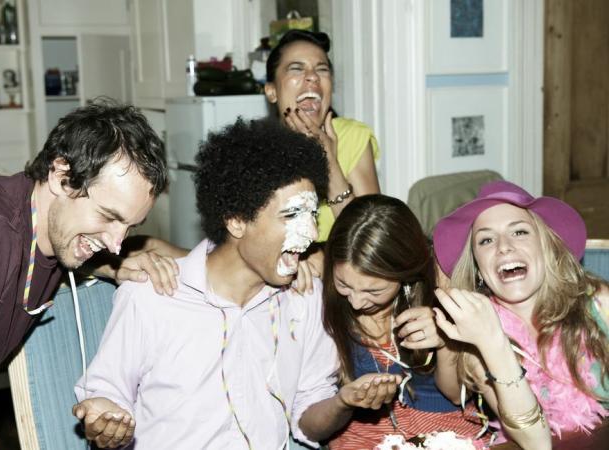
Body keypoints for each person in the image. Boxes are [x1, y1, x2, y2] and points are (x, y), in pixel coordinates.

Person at [72, 118, 402, 449]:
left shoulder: (304, 298)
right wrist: (105, 418)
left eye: (312, 215)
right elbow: (106, 394)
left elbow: (309, 416)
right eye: (291, 215)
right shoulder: (153, 294)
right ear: (237, 221)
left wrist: (342, 402)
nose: (311, 234)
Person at [0, 99, 171, 450]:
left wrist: (102, 262)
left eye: (129, 226)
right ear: (61, 177)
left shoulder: (50, 232)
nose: (117, 243)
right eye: (108, 216)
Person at [432, 181, 609, 448]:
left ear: (547, 246)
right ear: (479, 267)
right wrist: (493, 344)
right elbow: (536, 443)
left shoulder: (599, 302)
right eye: (487, 240)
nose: (503, 247)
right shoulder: (476, 342)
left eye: (520, 232)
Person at [321, 195, 484, 449]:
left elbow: (455, 395)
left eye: (373, 292)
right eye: (344, 284)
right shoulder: (322, 296)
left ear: (405, 273)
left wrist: (445, 340)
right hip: (366, 436)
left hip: (443, 428)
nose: (355, 302)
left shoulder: (440, 288)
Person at [264, 29, 381, 244]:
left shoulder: (351, 137)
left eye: (322, 69)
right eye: (297, 68)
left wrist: (330, 165)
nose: (312, 77)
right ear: (271, 91)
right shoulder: (254, 150)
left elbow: (373, 241)